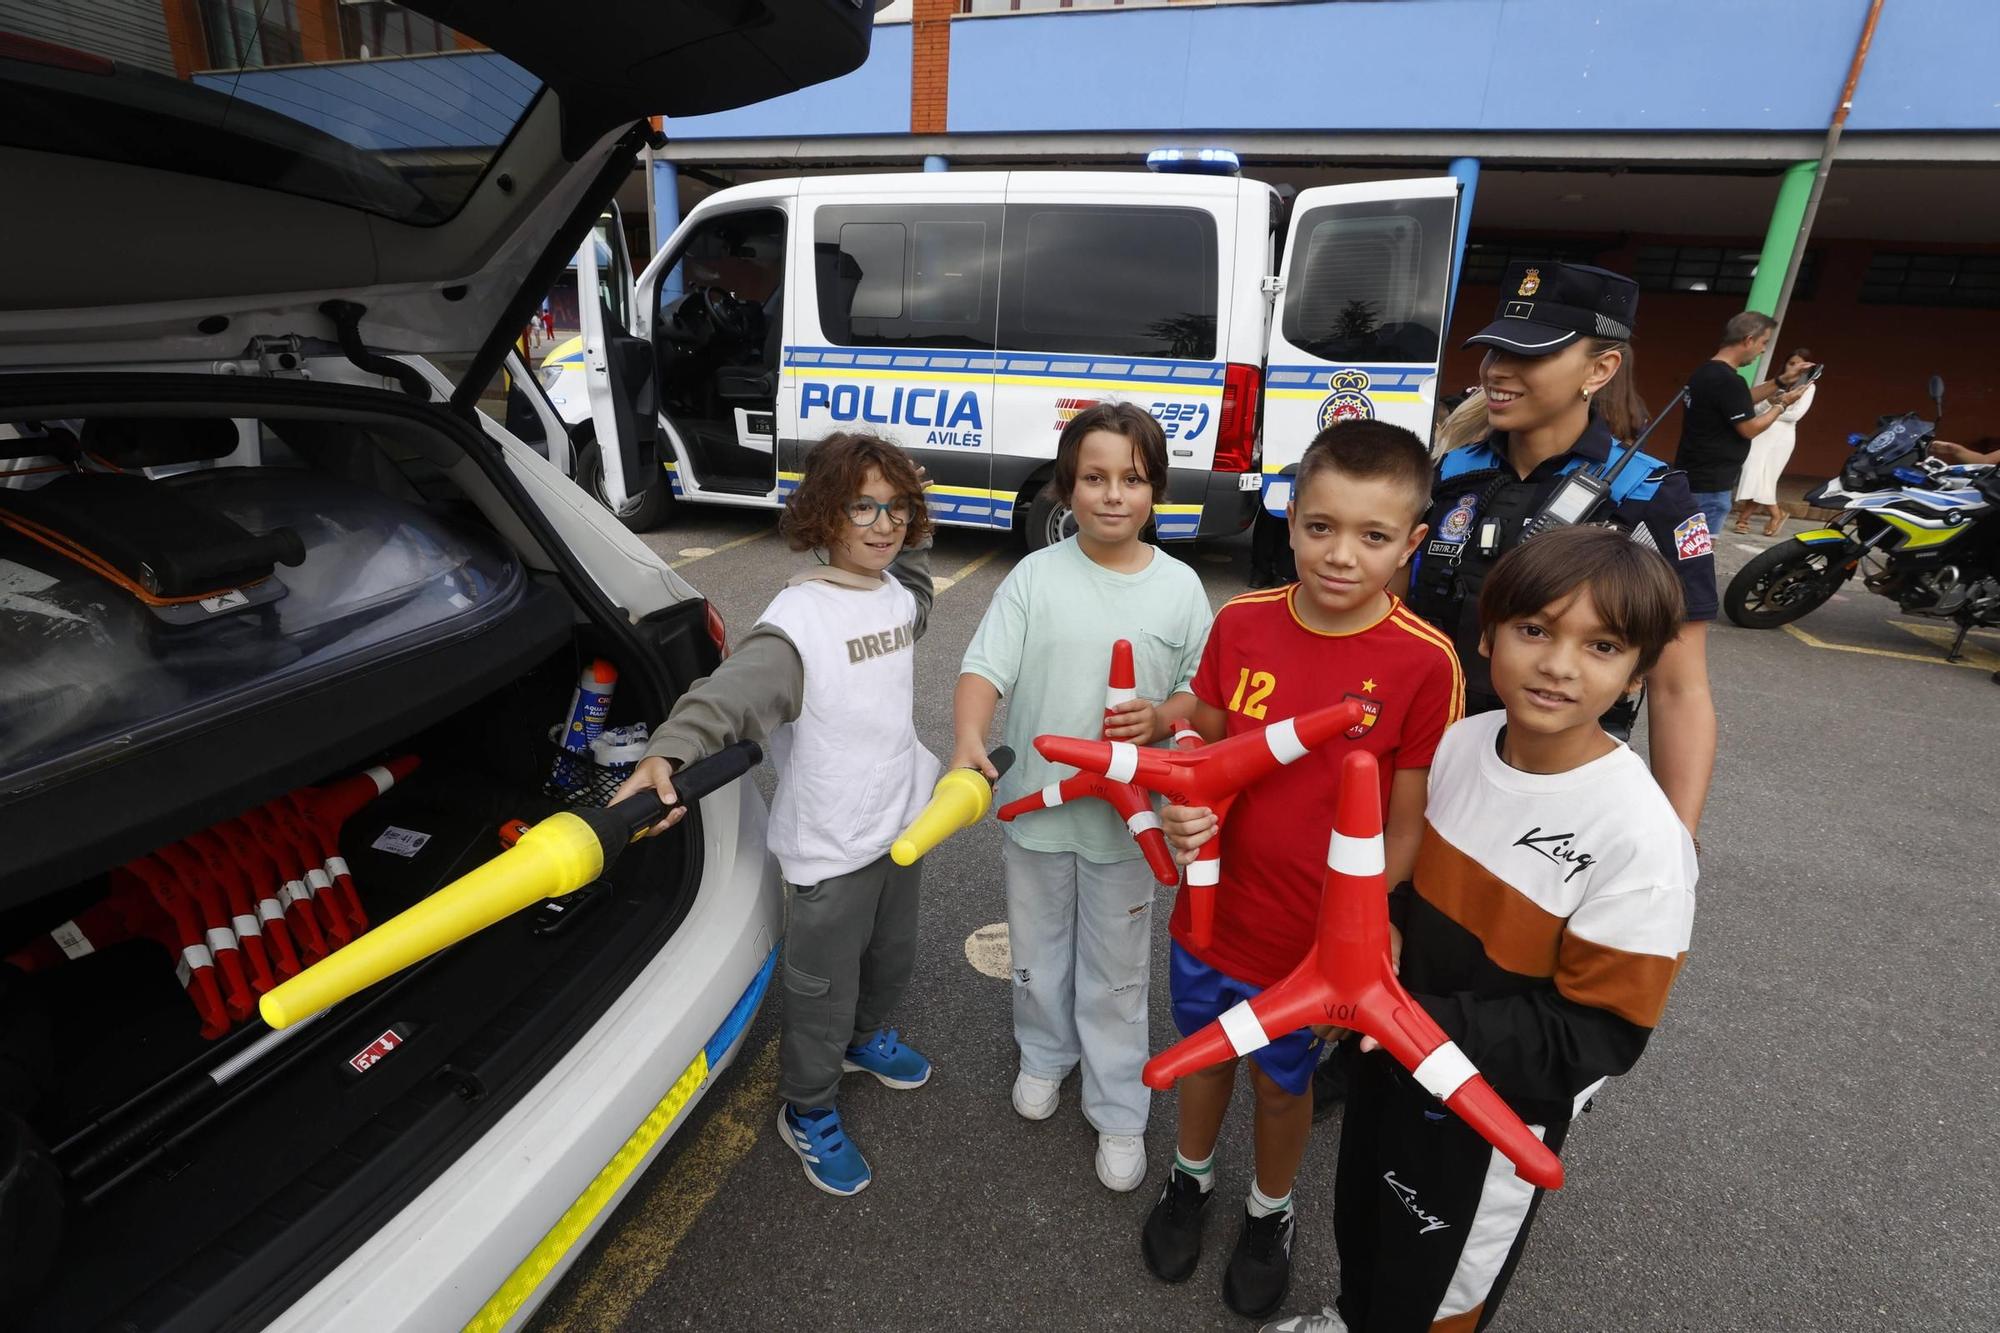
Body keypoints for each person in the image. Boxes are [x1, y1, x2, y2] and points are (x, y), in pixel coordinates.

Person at [1141, 420, 1464, 1321]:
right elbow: (1198, 743)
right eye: (1321, 526)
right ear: (1290, 520)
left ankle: (1268, 1212)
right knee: (1202, 1059)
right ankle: (1189, 1178)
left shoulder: (1425, 662)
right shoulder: (1241, 621)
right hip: (1210, 912)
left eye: (1373, 536)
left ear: (1413, 541)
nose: (1341, 555)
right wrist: (1178, 804)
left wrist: (1350, 932)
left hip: (1311, 943)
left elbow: (1407, 826)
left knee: (1280, 1085)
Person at [613, 432, 939, 1198]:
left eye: (898, 508)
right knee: (822, 987)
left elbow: (920, 597)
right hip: (831, 848)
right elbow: (726, 699)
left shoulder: (893, 593)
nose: (884, 524)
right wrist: (669, 751)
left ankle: (865, 1041)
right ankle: (809, 1104)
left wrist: (919, 535)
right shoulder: (800, 623)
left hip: (902, 828)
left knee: (889, 959)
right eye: (864, 505)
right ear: (825, 513)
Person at [952, 402, 1213, 1192]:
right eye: (1094, 478)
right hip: (1038, 807)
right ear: (1067, 487)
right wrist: (969, 736)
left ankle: (1119, 1104)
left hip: (1131, 828)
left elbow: (1204, 695)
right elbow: (984, 668)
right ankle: (1044, 1054)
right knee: (1036, 951)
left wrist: (1164, 714)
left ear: (1156, 489)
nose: (1112, 495)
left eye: (1131, 479)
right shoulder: (1036, 575)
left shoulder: (1180, 587)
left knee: (1118, 967)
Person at [1404, 260, 1717, 837]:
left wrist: (1679, 840)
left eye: (1530, 355)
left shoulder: (1647, 498)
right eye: (1496, 351)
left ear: (1600, 368)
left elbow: (1679, 688)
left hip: (1556, 792)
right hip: (1423, 767)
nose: (1499, 371)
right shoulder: (1447, 476)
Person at [1672, 311, 1808, 539]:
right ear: (1748, 340)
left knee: (1680, 549)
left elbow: (1739, 400)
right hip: (1711, 485)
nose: (1763, 349)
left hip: (1692, 474)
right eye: (1764, 342)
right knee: (1697, 556)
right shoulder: (1729, 381)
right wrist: (1782, 404)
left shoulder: (1706, 371)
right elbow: (1750, 428)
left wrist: (1780, 382)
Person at [1730, 349, 1818, 536]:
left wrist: (1775, 409)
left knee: (1766, 477)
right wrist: (1771, 404)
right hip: (1760, 432)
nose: (1794, 368)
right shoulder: (1769, 385)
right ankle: (1777, 513)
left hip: (1782, 438)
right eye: (1791, 363)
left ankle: (1744, 518)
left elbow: (1796, 415)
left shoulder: (1808, 387)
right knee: (1751, 471)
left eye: (1800, 364)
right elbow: (1754, 409)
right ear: (1785, 364)